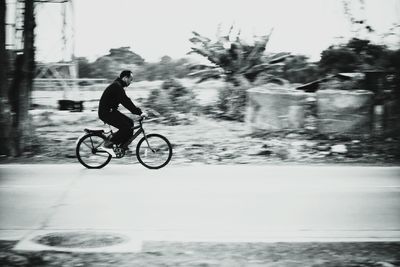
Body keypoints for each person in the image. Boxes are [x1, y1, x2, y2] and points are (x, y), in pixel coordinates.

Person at [98, 70, 146, 155]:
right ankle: (108, 144)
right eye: (130, 79)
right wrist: (139, 112)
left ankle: (122, 146)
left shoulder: (118, 85)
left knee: (130, 123)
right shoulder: (117, 87)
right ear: (125, 78)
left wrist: (137, 112)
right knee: (126, 128)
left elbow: (126, 101)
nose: (131, 82)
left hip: (111, 111)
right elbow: (126, 101)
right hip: (106, 113)